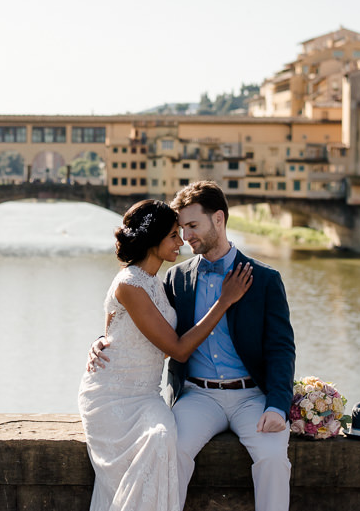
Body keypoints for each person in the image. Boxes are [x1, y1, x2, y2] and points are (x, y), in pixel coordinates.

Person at [89, 181, 295, 511]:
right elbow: (140, 322)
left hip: (253, 396)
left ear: (219, 219)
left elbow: (281, 349)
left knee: (273, 459)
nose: (185, 237)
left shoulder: (265, 278)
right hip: (197, 395)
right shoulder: (174, 279)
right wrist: (102, 341)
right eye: (181, 229)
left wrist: (277, 405)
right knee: (171, 452)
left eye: (192, 226)